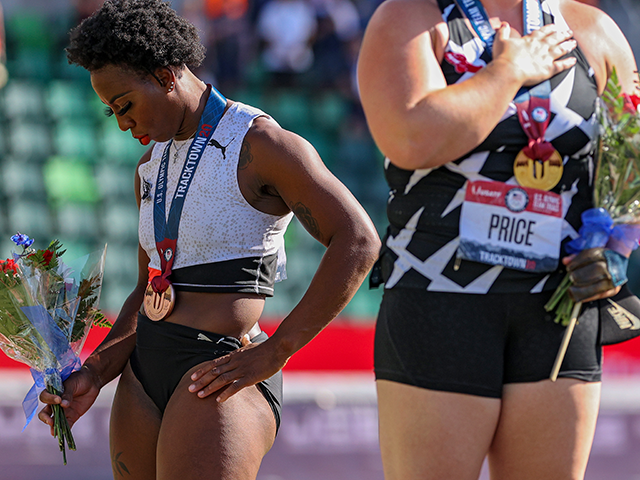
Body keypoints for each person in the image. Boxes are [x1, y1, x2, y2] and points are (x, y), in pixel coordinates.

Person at [37, 0, 380, 478]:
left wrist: (275, 352)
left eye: (125, 105)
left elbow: (359, 241)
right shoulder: (148, 168)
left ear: (164, 74)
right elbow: (148, 290)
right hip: (143, 374)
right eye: (111, 111)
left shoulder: (261, 144)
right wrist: (95, 371)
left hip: (220, 369)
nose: (121, 123)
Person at [357, 0, 639, 479]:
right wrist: (507, 72)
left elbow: (631, 154)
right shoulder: (409, 16)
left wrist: (616, 247)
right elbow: (408, 139)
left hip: (559, 306)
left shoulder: (590, 27)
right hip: (440, 298)